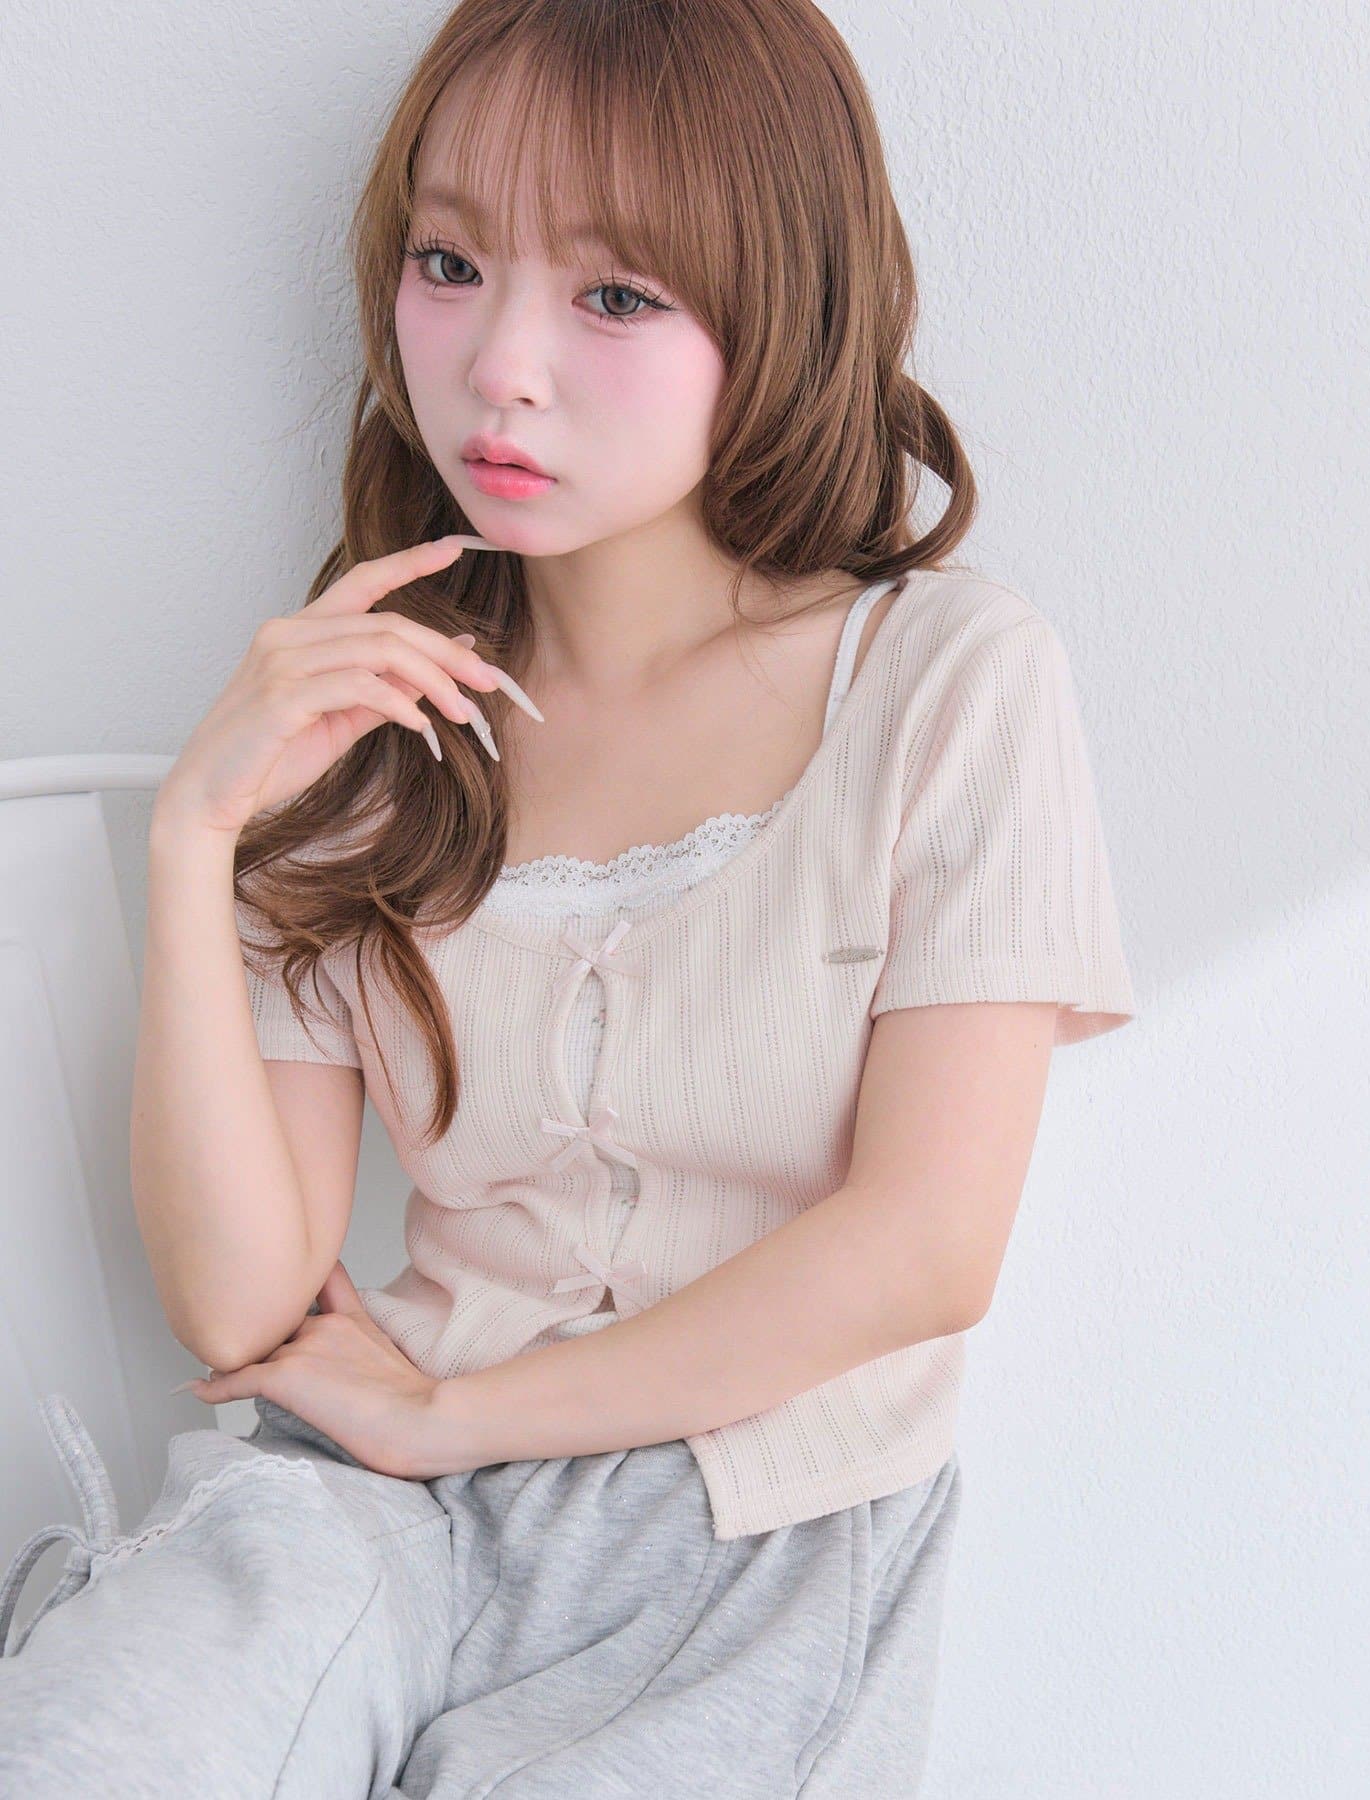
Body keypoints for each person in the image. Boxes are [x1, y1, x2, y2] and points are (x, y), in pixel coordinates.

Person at [0, 0, 1136, 1793]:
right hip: (361, 1511)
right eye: (449, 265)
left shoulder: (948, 680)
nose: (500, 369)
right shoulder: (372, 716)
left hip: (749, 1540)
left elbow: (926, 1247)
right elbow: (240, 1307)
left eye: (614, 295)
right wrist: (197, 841)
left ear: (780, 310)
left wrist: (460, 1413)